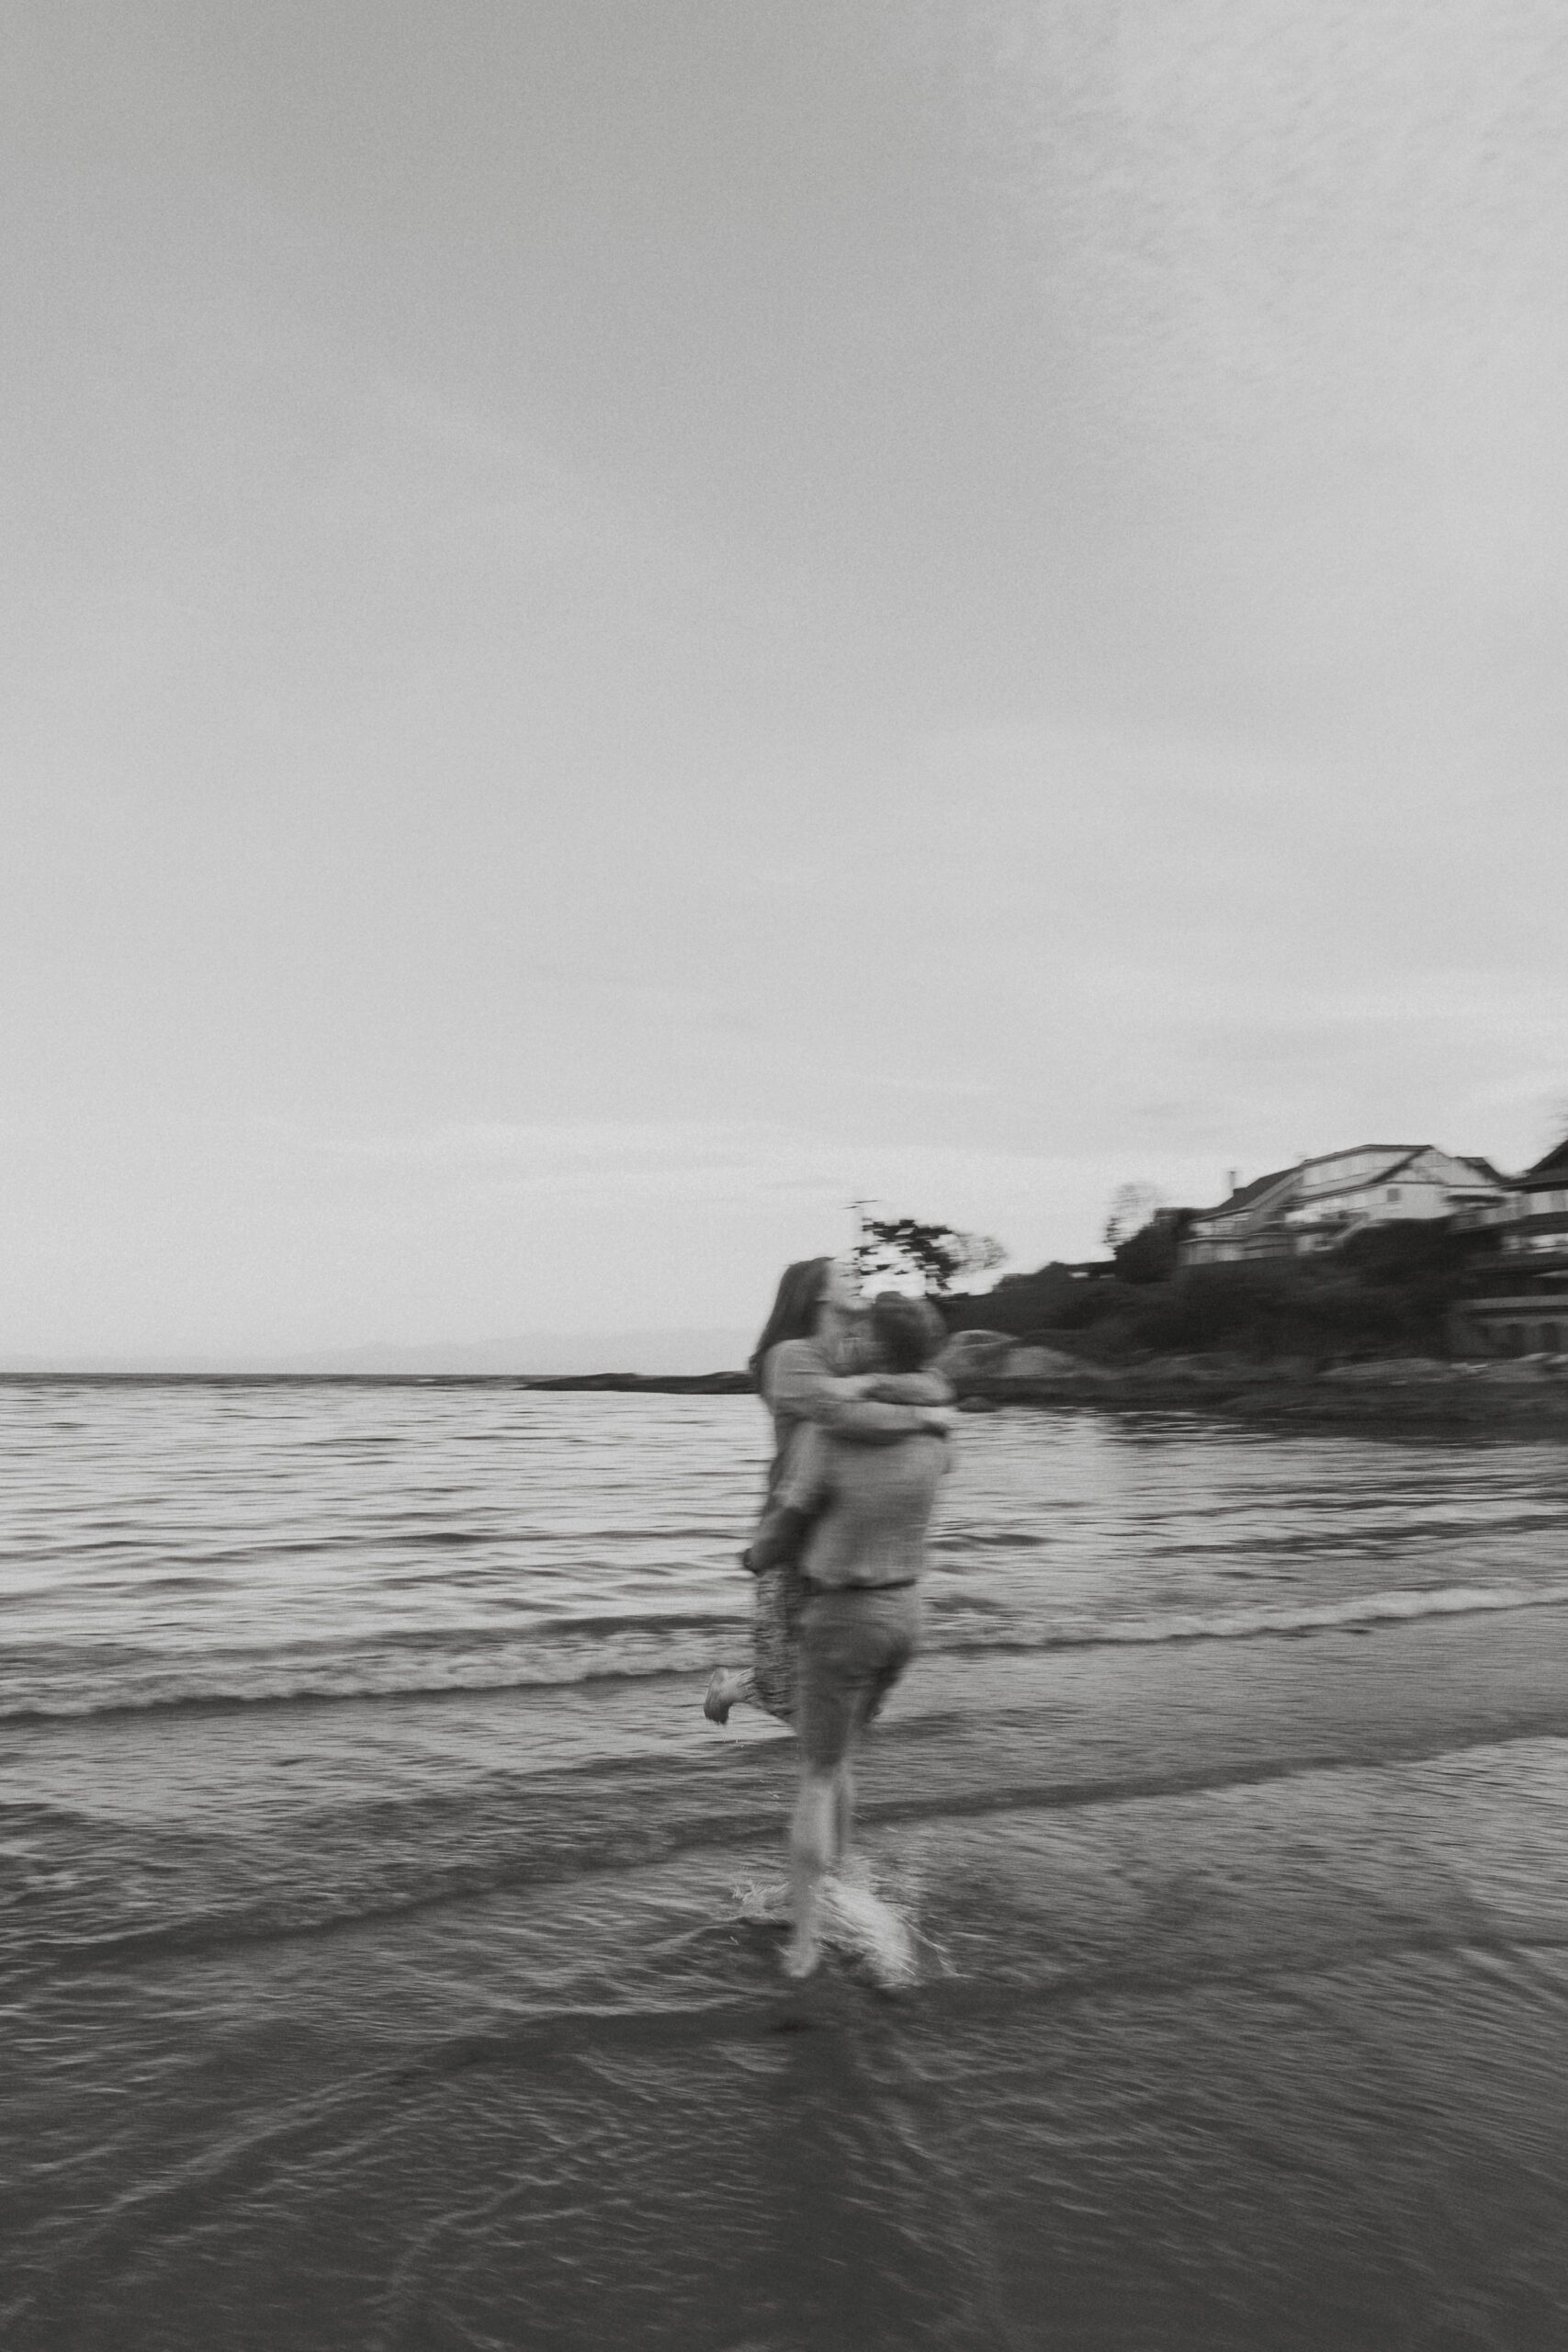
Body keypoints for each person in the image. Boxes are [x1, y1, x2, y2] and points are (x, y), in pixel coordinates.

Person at [747, 1292, 951, 1978]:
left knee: (815, 1776)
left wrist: (756, 1555)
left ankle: (805, 1939)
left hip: (842, 1619)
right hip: (905, 1617)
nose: (851, 1337)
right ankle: (841, 1880)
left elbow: (784, 1525)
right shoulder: (936, 1430)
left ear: (875, 1349)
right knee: (841, 1766)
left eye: (862, 1331)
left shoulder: (826, 1436)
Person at [704, 1257, 953, 1727]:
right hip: (791, 1530)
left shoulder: (853, 1354)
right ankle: (730, 1688)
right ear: (818, 1293)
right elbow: (835, 1412)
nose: (856, 1276)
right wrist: (922, 1419)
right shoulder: (791, 1357)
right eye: (844, 1274)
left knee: (850, 1702)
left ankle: (827, 1778)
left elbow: (933, 1383)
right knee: (794, 1695)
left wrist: (901, 1393)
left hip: (839, 1535)